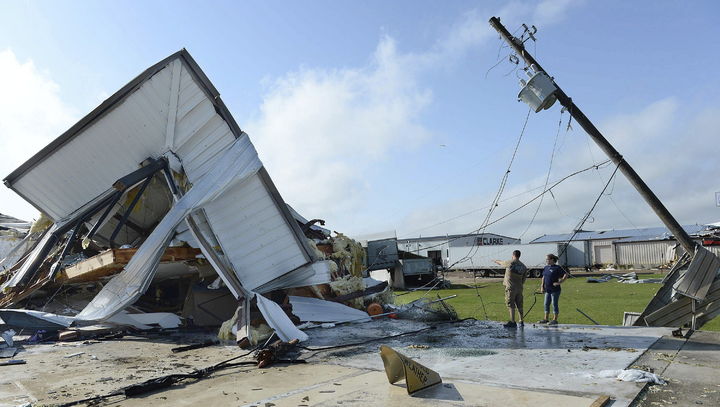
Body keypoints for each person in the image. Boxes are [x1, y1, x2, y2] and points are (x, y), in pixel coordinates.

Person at [494, 250, 527, 328]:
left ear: (513, 255)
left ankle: (512, 321)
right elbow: (524, 279)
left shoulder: (510, 262)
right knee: (519, 305)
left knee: (510, 304)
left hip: (510, 288)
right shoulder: (523, 266)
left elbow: (501, 263)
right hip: (519, 288)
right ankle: (521, 321)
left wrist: (495, 261)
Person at [538, 253, 567, 325]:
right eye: (546, 259)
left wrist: (560, 282)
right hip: (547, 290)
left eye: (547, 259)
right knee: (546, 304)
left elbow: (565, 275)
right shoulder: (546, 267)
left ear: (552, 260)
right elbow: (543, 277)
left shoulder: (557, 267)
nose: (546, 261)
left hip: (555, 290)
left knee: (554, 304)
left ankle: (555, 319)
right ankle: (546, 319)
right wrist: (542, 286)